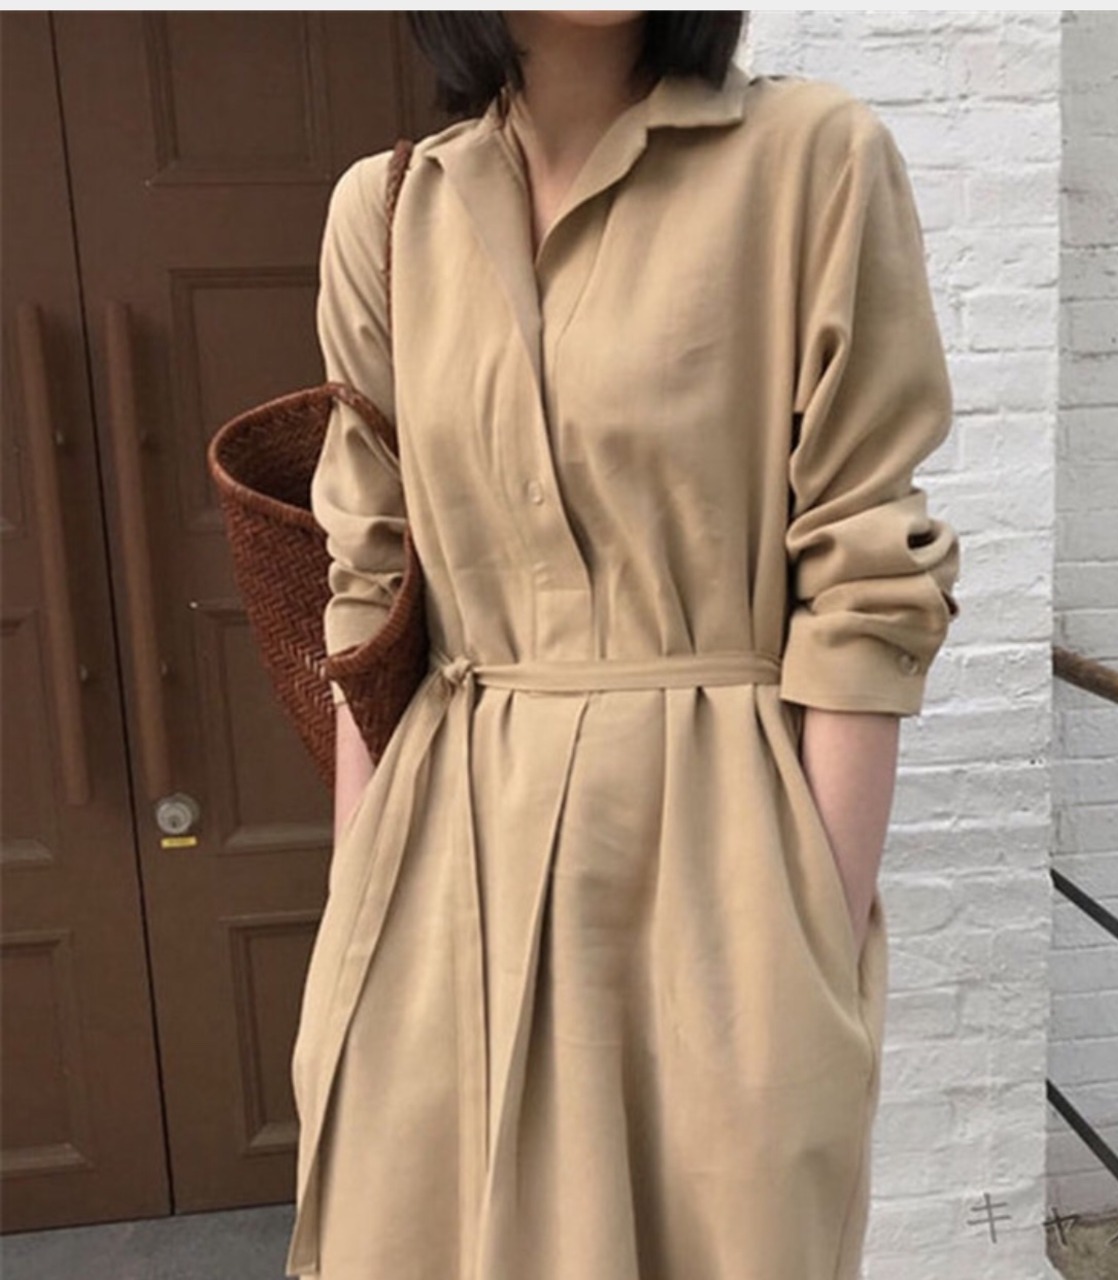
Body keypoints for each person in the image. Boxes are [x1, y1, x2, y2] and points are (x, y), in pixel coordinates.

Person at [287, 10, 960, 1278]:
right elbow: (366, 584)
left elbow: (866, 575)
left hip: (719, 869)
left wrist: (810, 938)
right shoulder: (384, 212)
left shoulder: (812, 160)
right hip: (440, 868)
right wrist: (355, 898)